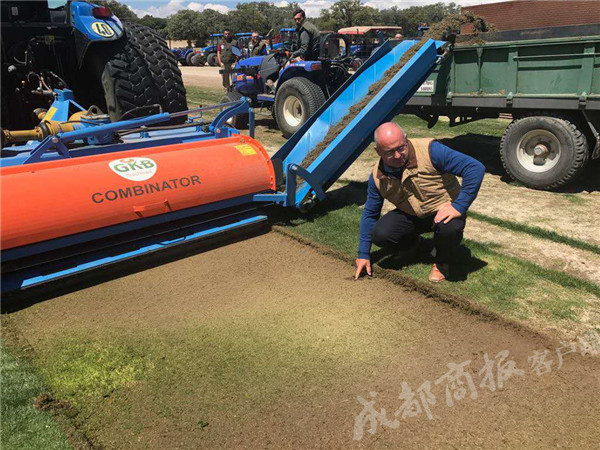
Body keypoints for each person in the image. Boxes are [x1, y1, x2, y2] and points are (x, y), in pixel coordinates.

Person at [354, 123, 485, 283]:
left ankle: (442, 260)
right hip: (413, 214)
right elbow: (370, 214)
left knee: (449, 228)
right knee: (380, 234)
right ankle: (415, 244)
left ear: (406, 139)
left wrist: (459, 206)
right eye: (389, 152)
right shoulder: (376, 177)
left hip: (443, 210)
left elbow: (474, 168)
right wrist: (363, 254)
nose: (397, 155)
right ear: (378, 151)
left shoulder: (432, 151)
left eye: (401, 148)